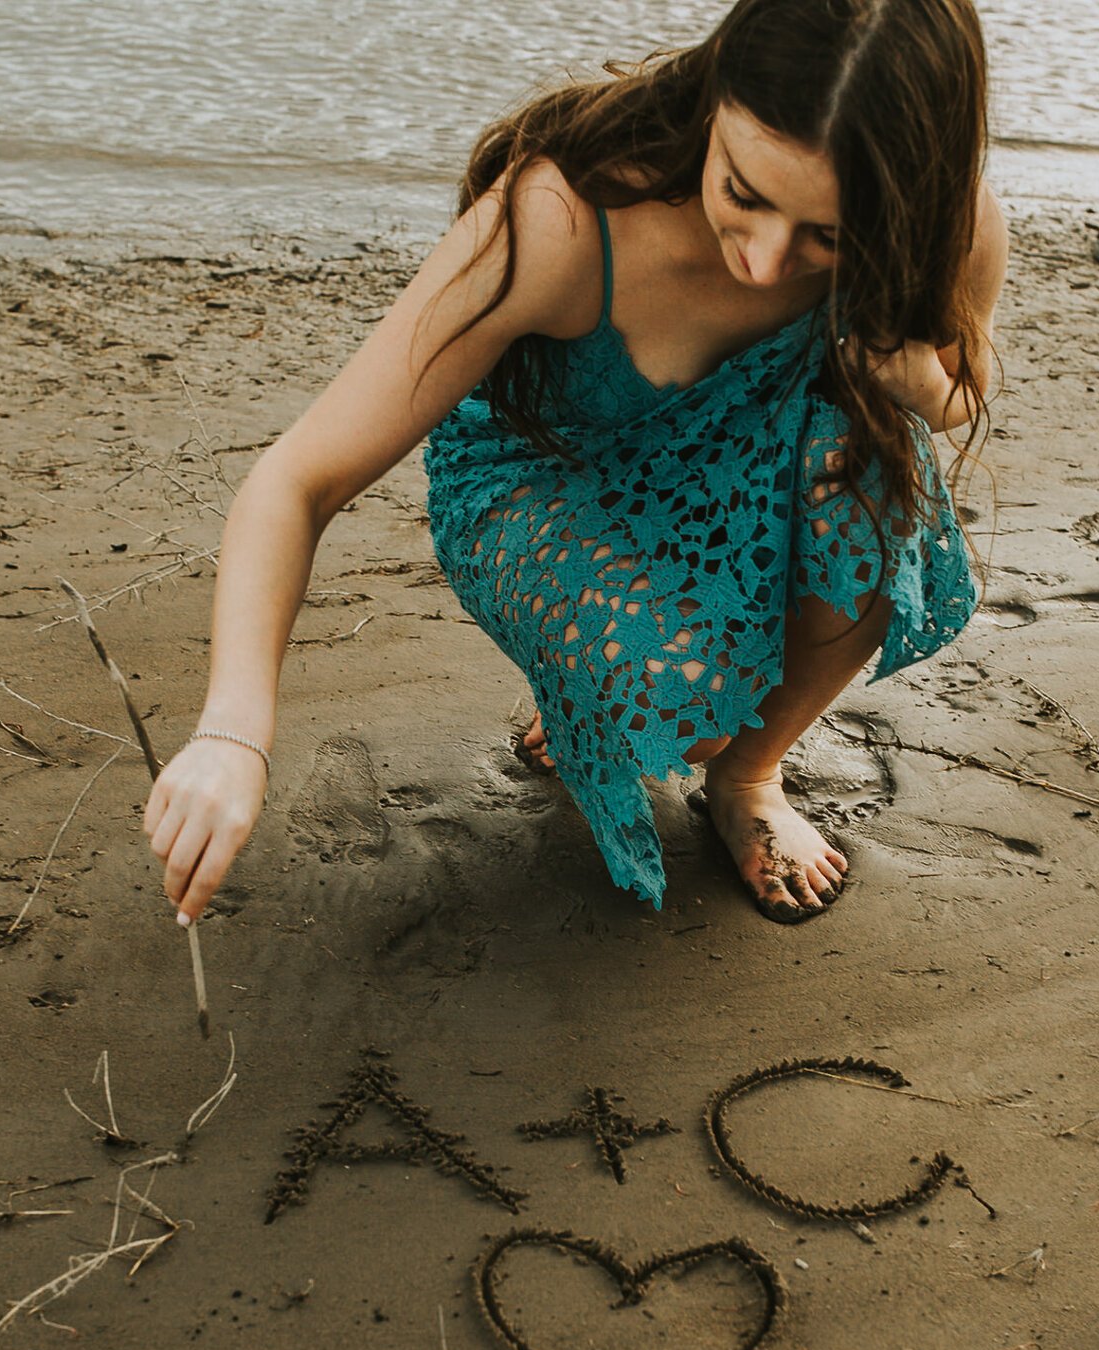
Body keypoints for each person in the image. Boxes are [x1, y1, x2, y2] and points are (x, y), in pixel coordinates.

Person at [145, 0, 1004, 927]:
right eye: (743, 194)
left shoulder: (952, 226)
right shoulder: (561, 214)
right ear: (715, 101)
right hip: (545, 476)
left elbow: (957, 394)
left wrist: (911, 374)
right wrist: (234, 733)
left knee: (880, 487)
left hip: (747, 464)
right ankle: (602, 685)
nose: (764, 264)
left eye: (828, 237)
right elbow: (299, 476)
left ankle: (748, 779)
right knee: (691, 702)